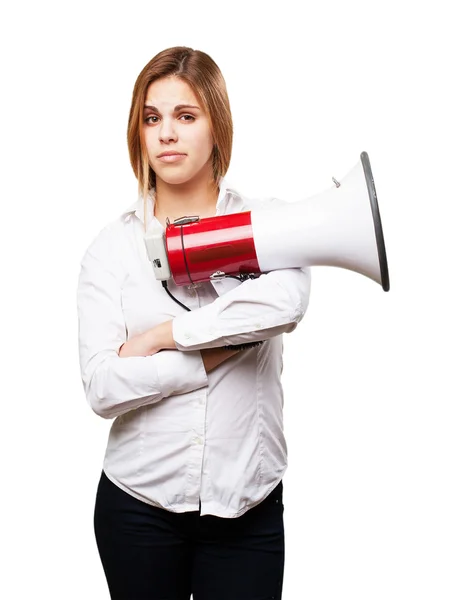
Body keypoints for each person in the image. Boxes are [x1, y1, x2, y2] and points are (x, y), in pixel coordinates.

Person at [77, 46, 311, 600]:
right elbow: (102, 386)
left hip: (248, 512)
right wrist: (206, 360)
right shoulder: (111, 250)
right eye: (152, 118)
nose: (166, 134)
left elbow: (285, 305)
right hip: (138, 508)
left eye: (186, 116)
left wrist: (163, 339)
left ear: (216, 125)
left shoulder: (268, 225)